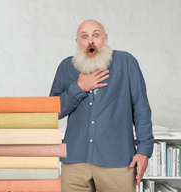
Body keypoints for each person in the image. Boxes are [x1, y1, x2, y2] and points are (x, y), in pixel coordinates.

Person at [50, 19, 154, 192]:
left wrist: (144, 152)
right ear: (78, 42)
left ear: (105, 38)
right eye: (85, 36)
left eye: (95, 35)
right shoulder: (66, 67)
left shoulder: (126, 62)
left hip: (117, 162)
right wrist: (79, 88)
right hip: (75, 162)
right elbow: (53, 111)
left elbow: (141, 110)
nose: (91, 41)